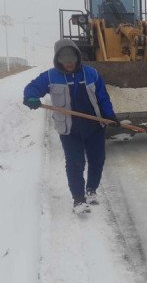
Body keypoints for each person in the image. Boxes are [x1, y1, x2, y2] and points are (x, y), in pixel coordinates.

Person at [23, 39, 120, 214]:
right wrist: (31, 97)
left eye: (72, 59)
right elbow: (32, 88)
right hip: (69, 130)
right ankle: (79, 200)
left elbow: (102, 97)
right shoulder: (51, 76)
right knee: (75, 163)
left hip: (94, 127)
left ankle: (91, 190)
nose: (68, 63)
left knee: (97, 160)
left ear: (77, 57)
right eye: (64, 60)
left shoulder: (92, 74)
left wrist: (109, 115)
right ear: (57, 60)